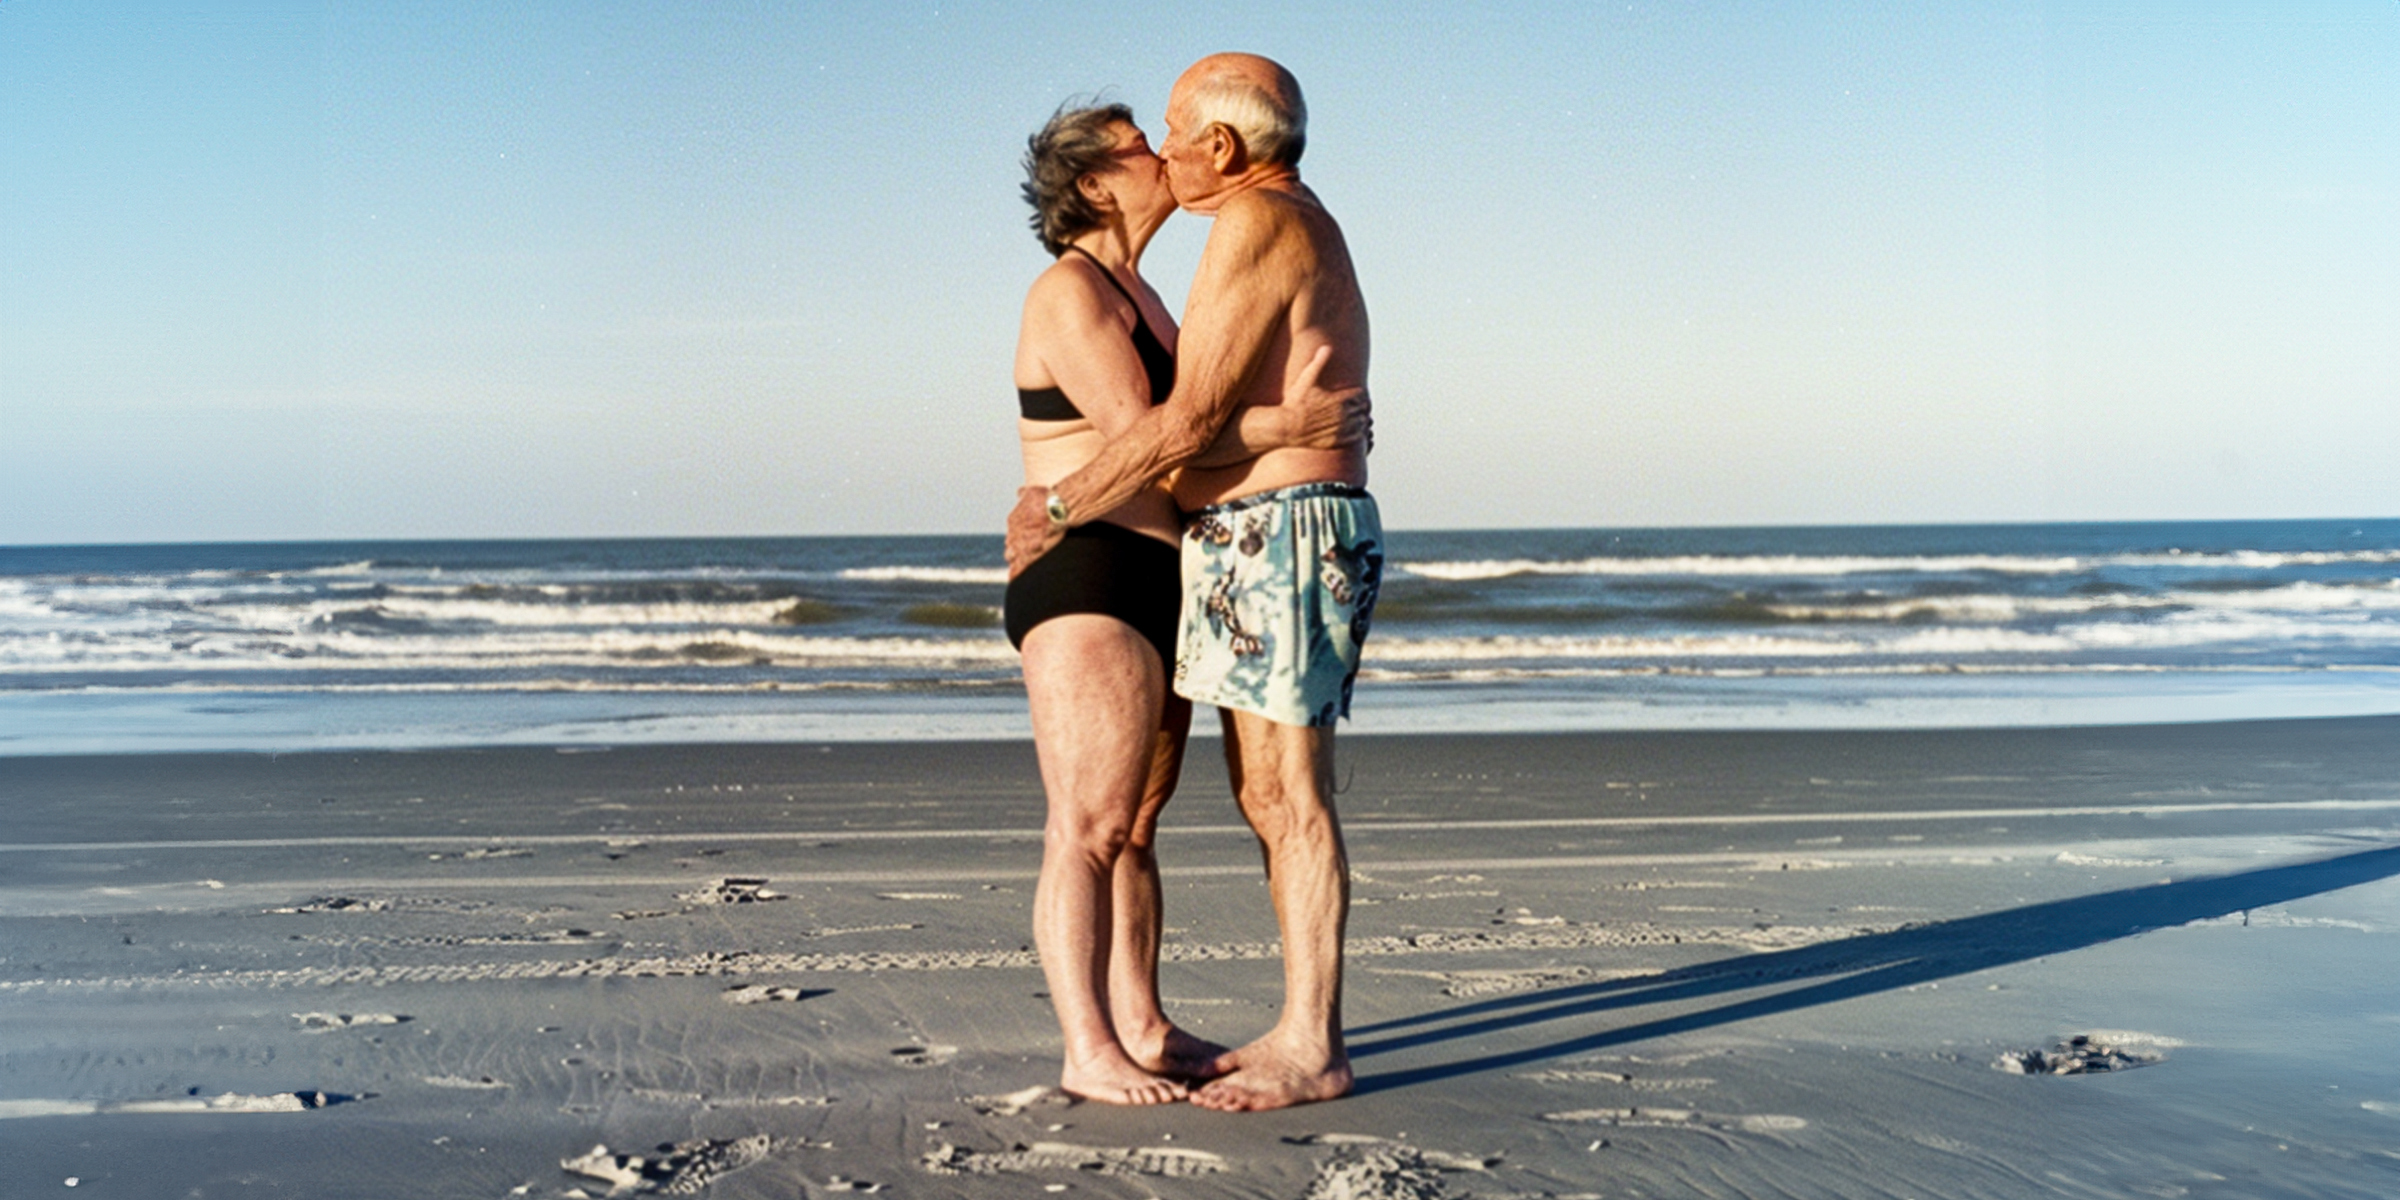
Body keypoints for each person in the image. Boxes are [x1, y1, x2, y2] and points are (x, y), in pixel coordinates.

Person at [1006, 54, 1378, 1113]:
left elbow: (1184, 427)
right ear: (1094, 184)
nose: (1163, 152)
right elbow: (1167, 435)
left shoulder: (1226, 245)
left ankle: (1254, 1036)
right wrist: (1063, 507)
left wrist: (1061, 499)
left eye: (1170, 132)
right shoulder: (1087, 287)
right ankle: (1113, 1035)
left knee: (1234, 800)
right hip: (1129, 563)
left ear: (1221, 146)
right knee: (1114, 816)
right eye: (1140, 142)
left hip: (1216, 548)